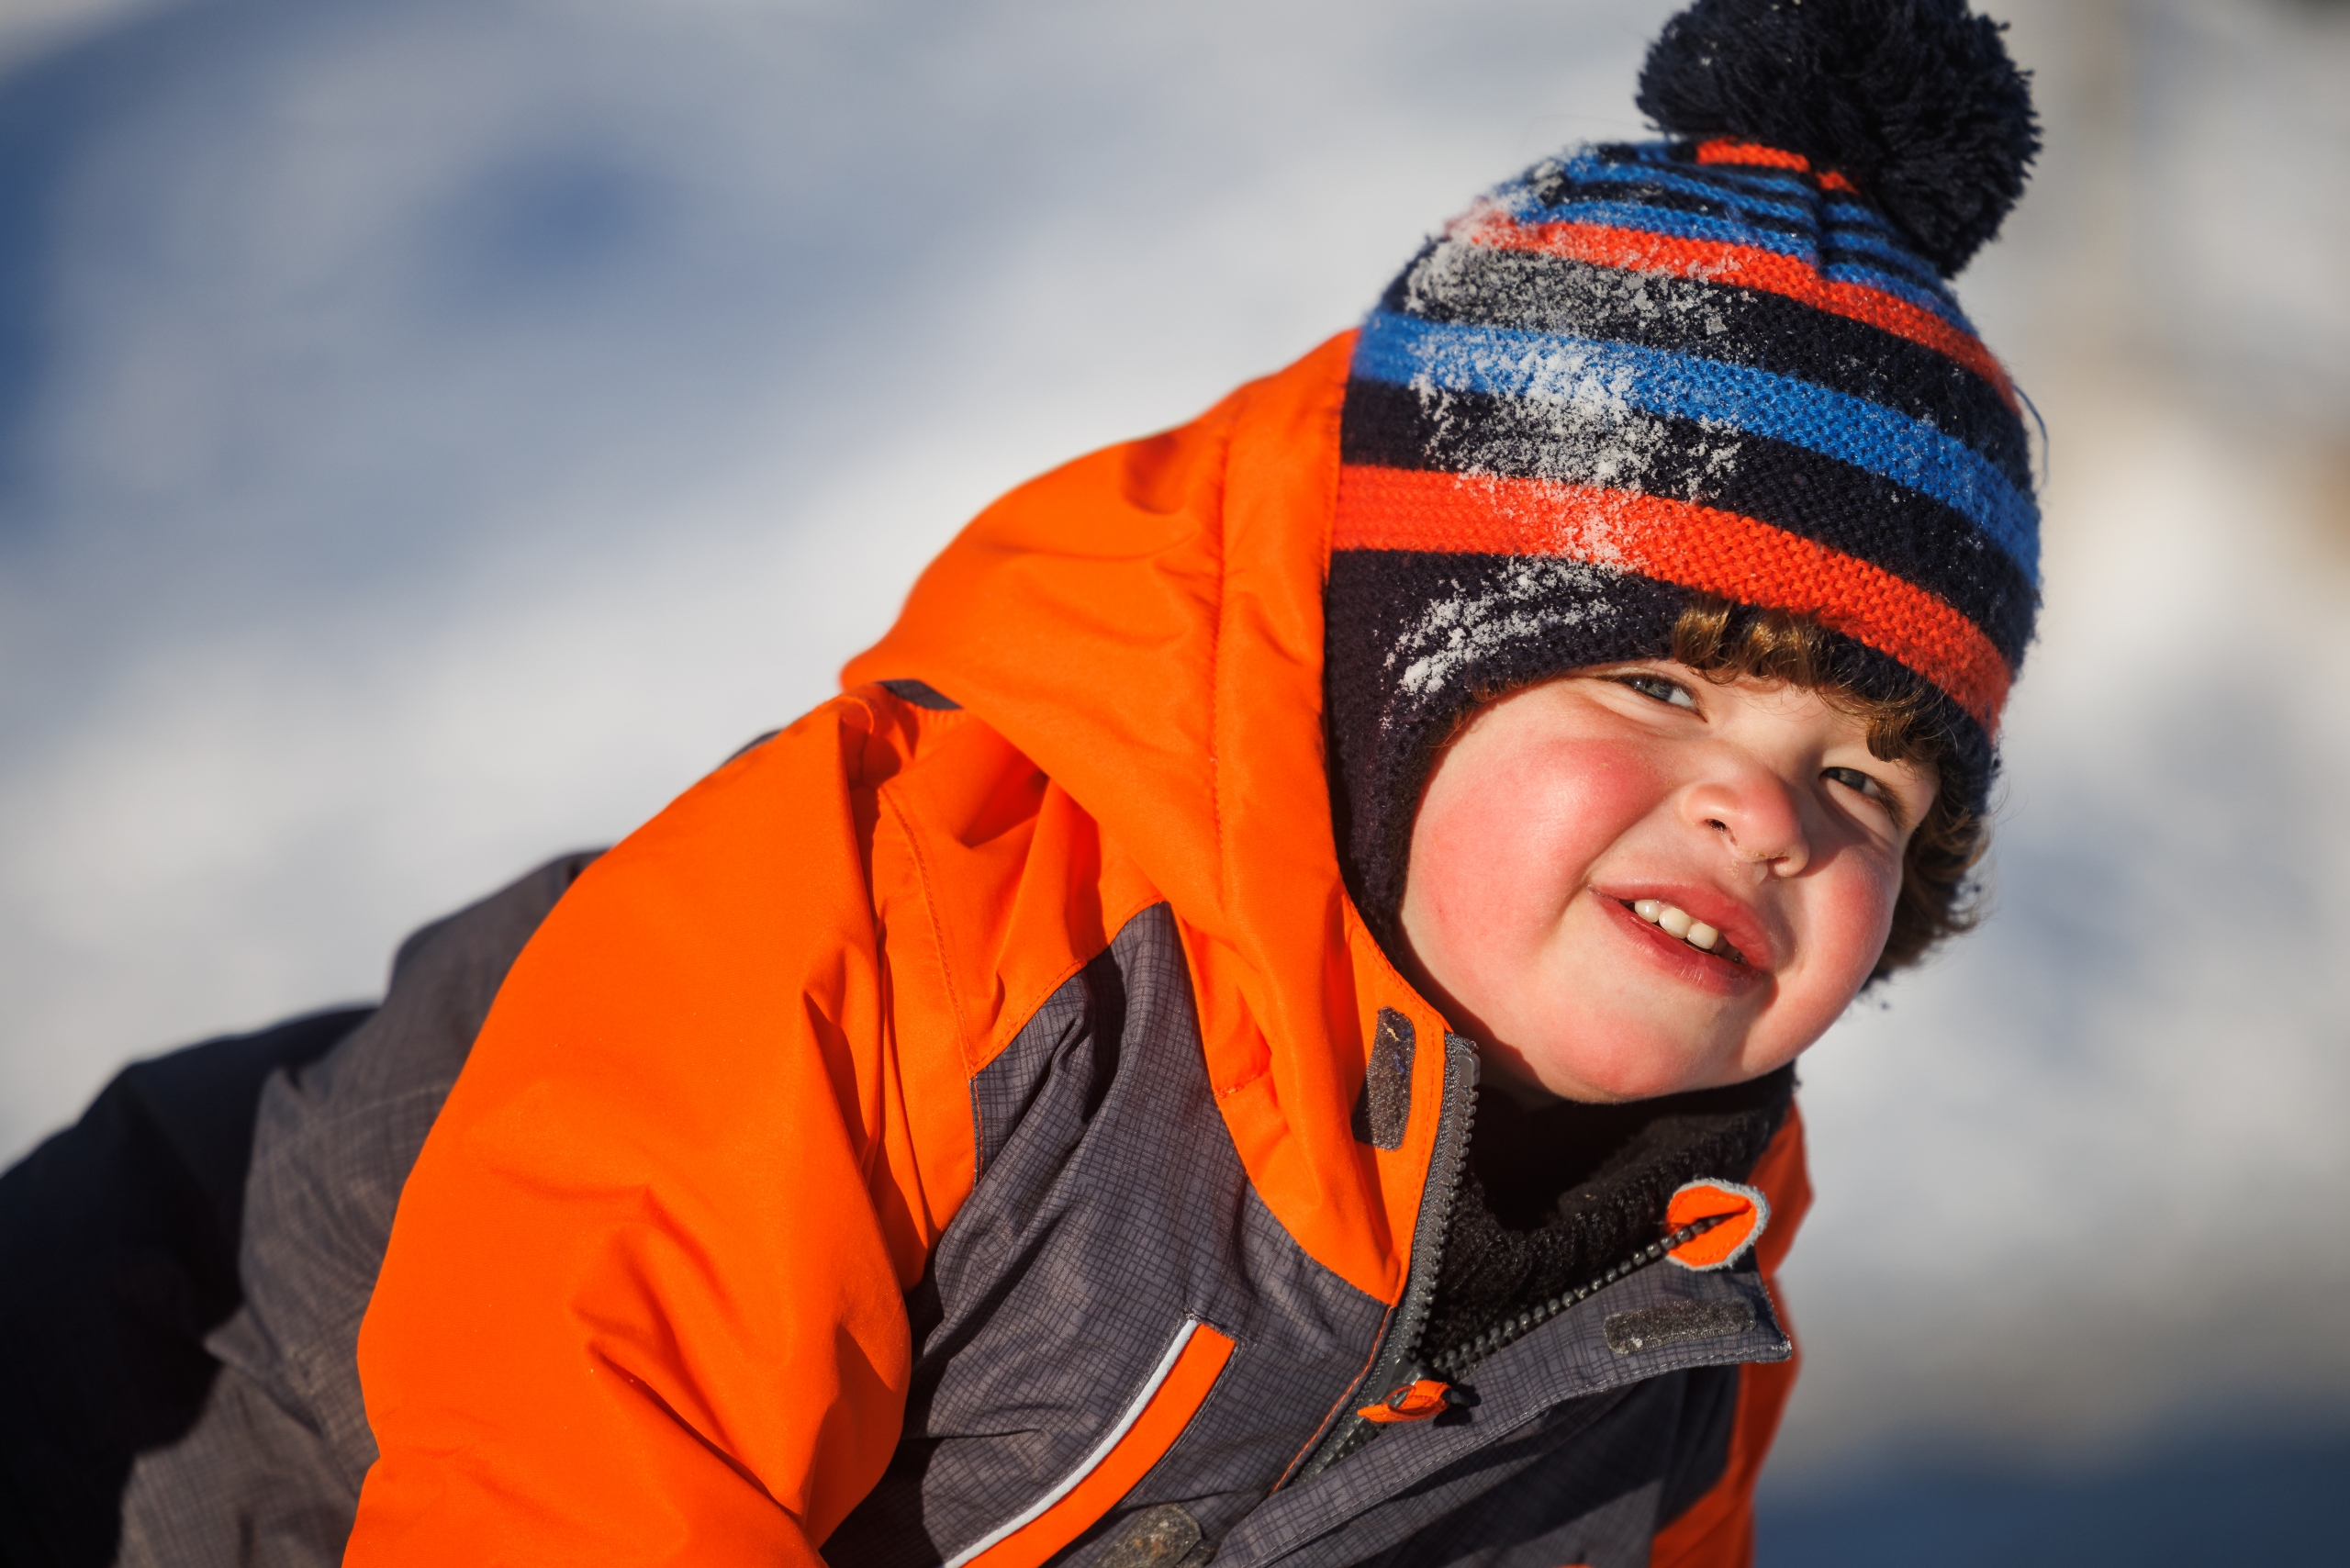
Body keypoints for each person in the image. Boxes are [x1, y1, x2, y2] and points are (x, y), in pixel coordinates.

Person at [7, 1, 2045, 1563]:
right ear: (1394, 673)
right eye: (1658, 679)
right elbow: (588, 1452)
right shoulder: (901, 911)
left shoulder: (1677, 1264)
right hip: (170, 1426)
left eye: (1866, 779)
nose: (1766, 811)